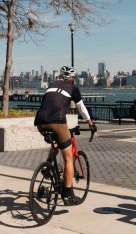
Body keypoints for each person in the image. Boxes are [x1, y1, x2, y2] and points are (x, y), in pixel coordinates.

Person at [34, 65, 97, 206]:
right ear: (73, 79)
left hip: (40, 122)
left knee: (56, 144)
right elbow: (81, 108)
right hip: (57, 122)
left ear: (61, 77)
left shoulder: (52, 84)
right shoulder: (73, 88)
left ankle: (48, 165)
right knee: (68, 158)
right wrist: (90, 124)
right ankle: (67, 195)